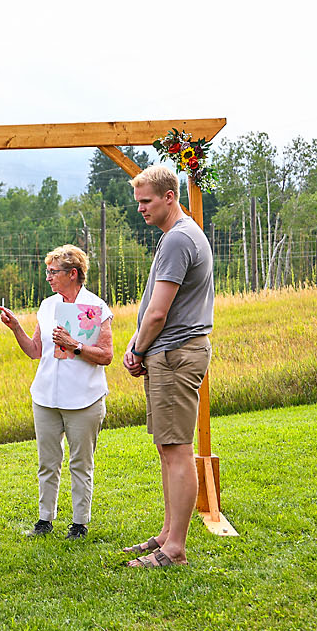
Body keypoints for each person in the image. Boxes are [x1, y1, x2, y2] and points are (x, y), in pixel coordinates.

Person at [119, 164, 213, 568]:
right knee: (167, 446)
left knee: (177, 449)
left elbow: (158, 313)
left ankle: (175, 549)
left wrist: (138, 350)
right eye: (138, 201)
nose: (140, 208)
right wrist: (138, 344)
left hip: (174, 354)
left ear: (169, 197)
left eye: (146, 201)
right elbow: (153, 312)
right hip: (166, 352)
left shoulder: (177, 240)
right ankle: (166, 533)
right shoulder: (178, 235)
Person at [0, 244, 112, 540]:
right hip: (46, 397)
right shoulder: (47, 306)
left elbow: (106, 355)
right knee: (47, 462)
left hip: (84, 398)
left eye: (53, 272)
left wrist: (76, 345)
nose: (48, 277)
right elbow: (36, 351)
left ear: (73, 274)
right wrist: (16, 328)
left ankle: (79, 522)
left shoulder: (96, 308)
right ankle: (45, 519)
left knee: (80, 463)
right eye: (47, 271)